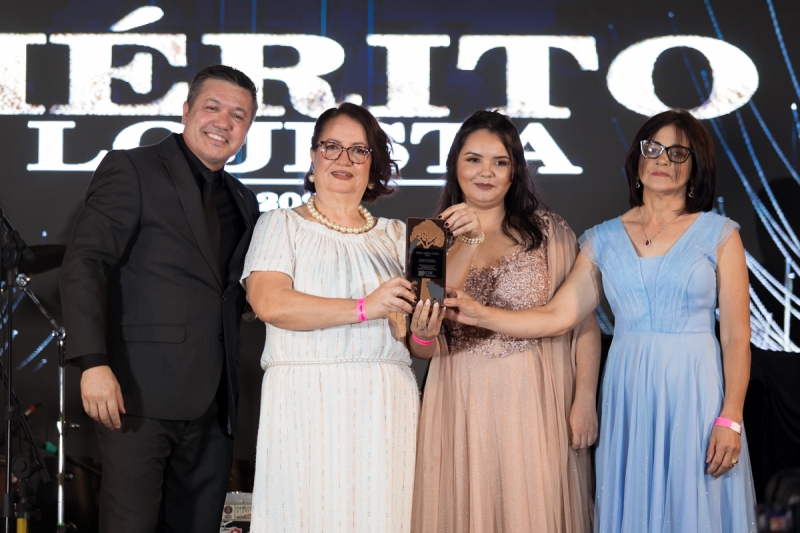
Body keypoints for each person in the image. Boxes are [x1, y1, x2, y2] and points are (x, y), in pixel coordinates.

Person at [444, 109, 758, 532]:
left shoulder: (719, 234)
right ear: (638, 158)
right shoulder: (602, 239)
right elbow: (557, 316)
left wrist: (730, 417)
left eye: (678, 153)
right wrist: (482, 314)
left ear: (696, 166)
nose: (663, 160)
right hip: (629, 392)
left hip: (696, 391)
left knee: (696, 508)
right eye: (654, 148)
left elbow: (736, 335)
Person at [59, 65, 261, 532]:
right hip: (137, 397)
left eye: (239, 116)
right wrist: (92, 362)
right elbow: (84, 263)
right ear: (186, 110)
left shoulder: (244, 200)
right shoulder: (132, 168)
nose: (224, 122)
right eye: (212, 107)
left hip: (215, 408)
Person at [241, 102, 445, 532]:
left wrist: (425, 332)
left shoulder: (400, 236)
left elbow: (419, 345)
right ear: (313, 156)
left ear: (374, 165)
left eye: (359, 150)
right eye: (331, 146)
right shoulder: (280, 224)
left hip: (385, 405)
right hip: (304, 399)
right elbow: (270, 303)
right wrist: (365, 307)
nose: (344, 159)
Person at [412, 110, 600, 532]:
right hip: (460, 399)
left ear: (515, 171)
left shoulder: (550, 233)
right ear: (454, 166)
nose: (486, 172)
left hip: (535, 397)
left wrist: (584, 399)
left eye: (500, 161)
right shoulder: (429, 239)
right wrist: (466, 240)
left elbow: (582, 323)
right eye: (473, 159)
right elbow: (422, 338)